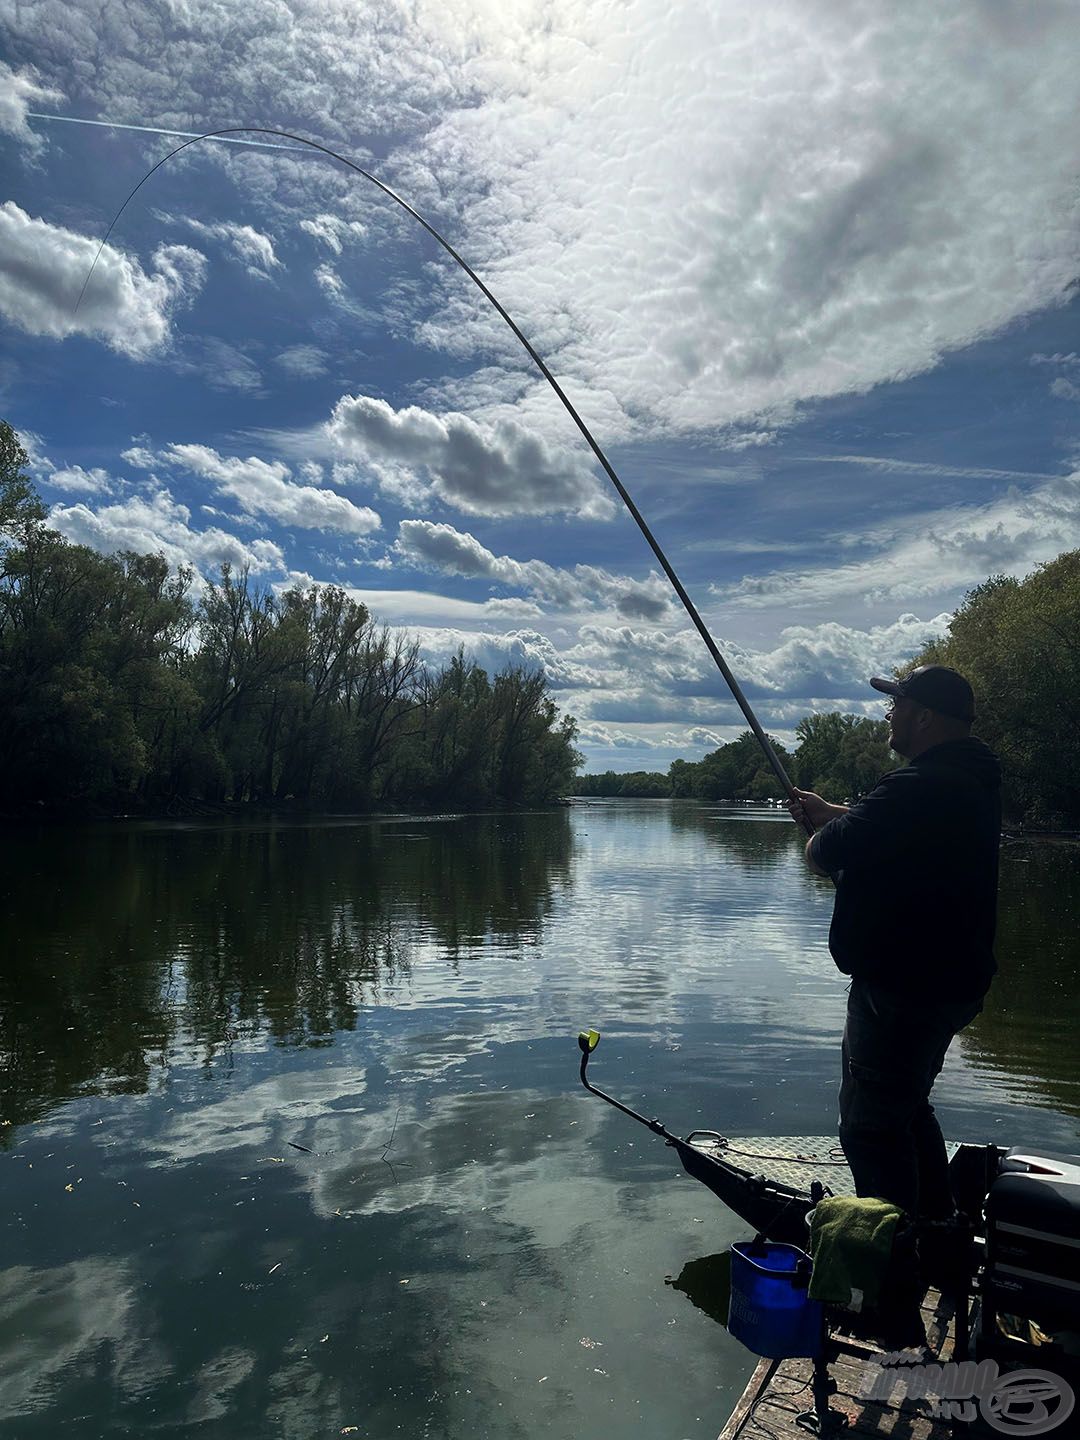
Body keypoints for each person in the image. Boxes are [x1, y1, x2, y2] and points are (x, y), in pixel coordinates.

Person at [786, 665, 1001, 1222]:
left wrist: (817, 833)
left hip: (902, 993)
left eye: (897, 702)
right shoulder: (968, 778)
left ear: (925, 716)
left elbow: (826, 852)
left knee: (870, 1129)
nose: (889, 712)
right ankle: (938, 1234)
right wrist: (834, 815)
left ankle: (891, 1275)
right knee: (908, 1110)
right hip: (949, 986)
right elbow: (890, 833)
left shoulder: (917, 785)